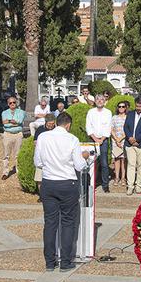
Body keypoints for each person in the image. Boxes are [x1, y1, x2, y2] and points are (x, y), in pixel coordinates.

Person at [34, 112, 92, 271]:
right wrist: (85, 156)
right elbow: (80, 166)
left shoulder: (43, 137)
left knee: (50, 223)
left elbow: (38, 162)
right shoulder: (72, 139)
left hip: (49, 183)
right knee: (67, 222)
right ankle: (65, 262)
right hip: (67, 183)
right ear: (68, 125)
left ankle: (50, 262)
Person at [85, 93, 113, 192]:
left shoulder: (108, 112)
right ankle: (91, 185)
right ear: (95, 101)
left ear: (104, 101)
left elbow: (108, 127)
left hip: (103, 140)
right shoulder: (91, 112)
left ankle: (105, 185)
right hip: (92, 140)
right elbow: (88, 126)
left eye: (101, 99)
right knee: (92, 163)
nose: (100, 101)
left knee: (104, 163)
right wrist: (95, 138)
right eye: (98, 99)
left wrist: (101, 139)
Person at [1, 96, 27, 180]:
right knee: (6, 155)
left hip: (18, 134)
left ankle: (19, 171)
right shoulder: (4, 113)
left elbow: (19, 121)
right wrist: (14, 122)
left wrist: (9, 121)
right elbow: (5, 124)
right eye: (10, 103)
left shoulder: (21, 112)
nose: (12, 104)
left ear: (16, 103)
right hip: (7, 134)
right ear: (8, 104)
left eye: (14, 102)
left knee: (18, 154)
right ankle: (5, 172)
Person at [111, 100, 129, 191]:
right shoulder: (114, 117)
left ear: (125, 108)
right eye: (119, 106)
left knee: (124, 160)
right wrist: (116, 139)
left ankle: (123, 178)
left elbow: (128, 129)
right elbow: (111, 129)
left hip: (124, 140)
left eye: (123, 106)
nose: (121, 108)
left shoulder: (128, 117)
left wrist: (121, 139)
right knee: (116, 159)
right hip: (115, 141)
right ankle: (117, 177)